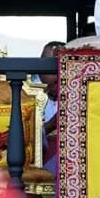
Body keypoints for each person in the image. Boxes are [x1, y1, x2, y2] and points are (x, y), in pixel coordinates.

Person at [38, 40, 65, 173]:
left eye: (60, 70)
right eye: (52, 70)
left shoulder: (79, 93)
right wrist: (51, 125)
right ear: (40, 72)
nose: (57, 75)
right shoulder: (28, 96)